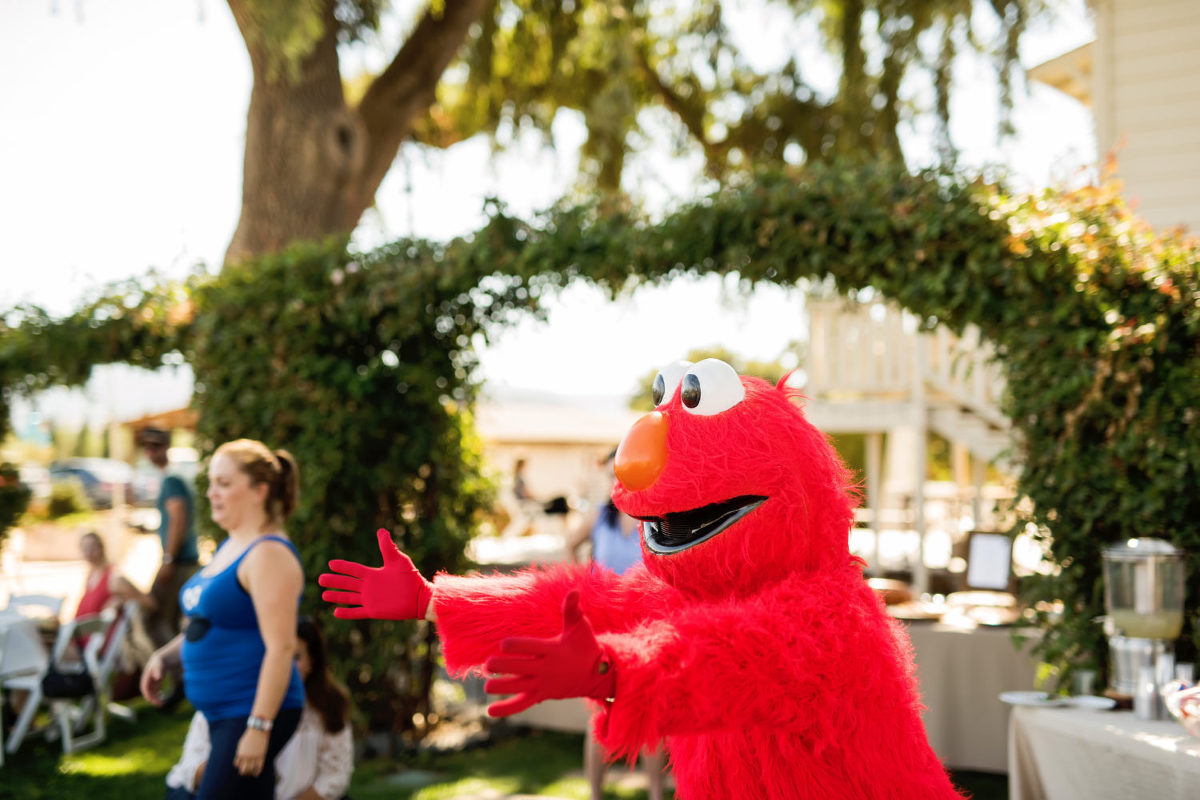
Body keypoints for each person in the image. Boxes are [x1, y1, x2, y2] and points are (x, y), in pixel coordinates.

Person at [142, 439, 306, 800]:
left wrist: (259, 726)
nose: (212, 493)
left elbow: (281, 648)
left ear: (259, 491)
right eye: (212, 483)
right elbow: (207, 624)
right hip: (220, 713)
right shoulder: (229, 547)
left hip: (250, 710)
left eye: (225, 484)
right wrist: (164, 657)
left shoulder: (269, 555)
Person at [565, 451, 666, 800]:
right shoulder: (600, 517)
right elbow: (570, 544)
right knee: (600, 711)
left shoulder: (657, 519)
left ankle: (655, 792)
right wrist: (580, 585)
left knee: (650, 712)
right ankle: (595, 794)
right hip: (604, 626)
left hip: (646, 625)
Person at [164, 616, 353, 800]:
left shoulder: (328, 707)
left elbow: (334, 777)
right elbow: (192, 764)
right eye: (272, 656)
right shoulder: (225, 699)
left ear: (311, 662)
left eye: (295, 657)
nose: (283, 666)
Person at [139, 427, 201, 650]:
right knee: (173, 621)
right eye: (146, 446)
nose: (150, 451)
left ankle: (175, 675)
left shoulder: (172, 479)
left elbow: (178, 519)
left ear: (166, 446)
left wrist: (169, 559)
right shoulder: (171, 478)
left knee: (155, 617)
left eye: (155, 445)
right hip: (180, 561)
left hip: (179, 562)